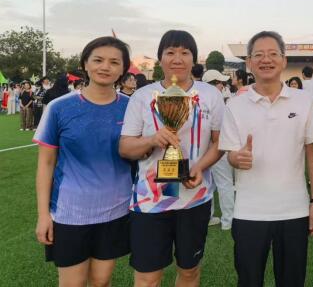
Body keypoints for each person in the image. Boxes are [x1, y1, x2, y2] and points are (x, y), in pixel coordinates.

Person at [119, 30, 225, 287]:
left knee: (189, 272)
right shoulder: (143, 96)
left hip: (195, 198)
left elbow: (219, 142)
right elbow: (125, 147)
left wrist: (200, 167)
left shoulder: (210, 95)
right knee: (147, 277)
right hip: (150, 201)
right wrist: (151, 140)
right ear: (160, 59)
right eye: (170, 52)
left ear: (194, 59)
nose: (178, 58)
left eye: (185, 52)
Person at [219, 31, 313, 287]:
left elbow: (312, 153)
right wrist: (237, 158)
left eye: (273, 53)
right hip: (249, 211)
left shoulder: (304, 101)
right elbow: (230, 154)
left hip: (294, 209)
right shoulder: (235, 105)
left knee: (292, 281)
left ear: (284, 60)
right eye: (259, 55)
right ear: (249, 62)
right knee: (249, 280)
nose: (266, 60)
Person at [33, 36, 133, 287]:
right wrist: (43, 215)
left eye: (114, 62)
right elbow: (46, 164)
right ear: (85, 64)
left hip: (116, 210)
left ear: (123, 69)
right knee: (73, 284)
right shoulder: (59, 107)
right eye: (98, 60)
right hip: (70, 213)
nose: (105, 67)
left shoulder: (132, 108)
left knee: (101, 281)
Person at [202, 69, 235, 230]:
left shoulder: (200, 98)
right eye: (220, 83)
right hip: (218, 146)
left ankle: (208, 217)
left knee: (209, 184)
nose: (223, 86)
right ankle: (228, 220)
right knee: (225, 183)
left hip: (205, 148)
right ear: (214, 84)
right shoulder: (216, 99)